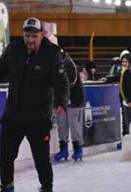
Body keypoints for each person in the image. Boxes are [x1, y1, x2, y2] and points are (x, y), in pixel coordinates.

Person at [0, 17, 69, 192]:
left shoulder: (52, 54)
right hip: (13, 115)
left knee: (42, 160)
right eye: (27, 36)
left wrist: (61, 101)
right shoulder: (14, 49)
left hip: (39, 117)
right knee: (6, 156)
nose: (30, 40)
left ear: (42, 35)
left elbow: (61, 81)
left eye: (34, 36)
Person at [42, 22, 85, 162]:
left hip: (74, 98)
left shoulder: (66, 60)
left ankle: (78, 149)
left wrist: (63, 95)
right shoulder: (48, 61)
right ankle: (64, 149)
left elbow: (72, 80)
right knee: (62, 125)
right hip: (60, 99)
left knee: (75, 125)